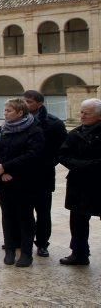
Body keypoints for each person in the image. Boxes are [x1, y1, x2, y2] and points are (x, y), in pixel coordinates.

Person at [0, 98, 45, 267]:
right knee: (7, 216)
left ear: (20, 113)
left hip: (24, 181)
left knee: (25, 217)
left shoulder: (34, 131)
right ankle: (10, 250)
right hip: (3, 180)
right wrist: (1, 170)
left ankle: (26, 253)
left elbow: (33, 155)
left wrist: (7, 167)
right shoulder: (3, 129)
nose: (5, 113)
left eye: (9, 111)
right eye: (5, 110)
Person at [22, 90, 67, 257]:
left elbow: (62, 149)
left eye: (29, 101)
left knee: (42, 211)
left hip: (43, 174)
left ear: (39, 104)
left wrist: (48, 162)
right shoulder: (19, 120)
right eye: (24, 101)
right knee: (23, 210)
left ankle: (42, 243)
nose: (25, 104)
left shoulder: (53, 123)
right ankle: (23, 240)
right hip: (22, 173)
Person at [57, 98, 101, 266]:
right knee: (78, 221)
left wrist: (87, 165)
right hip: (79, 183)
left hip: (98, 183)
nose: (82, 116)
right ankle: (79, 253)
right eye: (81, 112)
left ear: (98, 116)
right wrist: (80, 165)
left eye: (86, 113)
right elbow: (62, 154)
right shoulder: (75, 133)